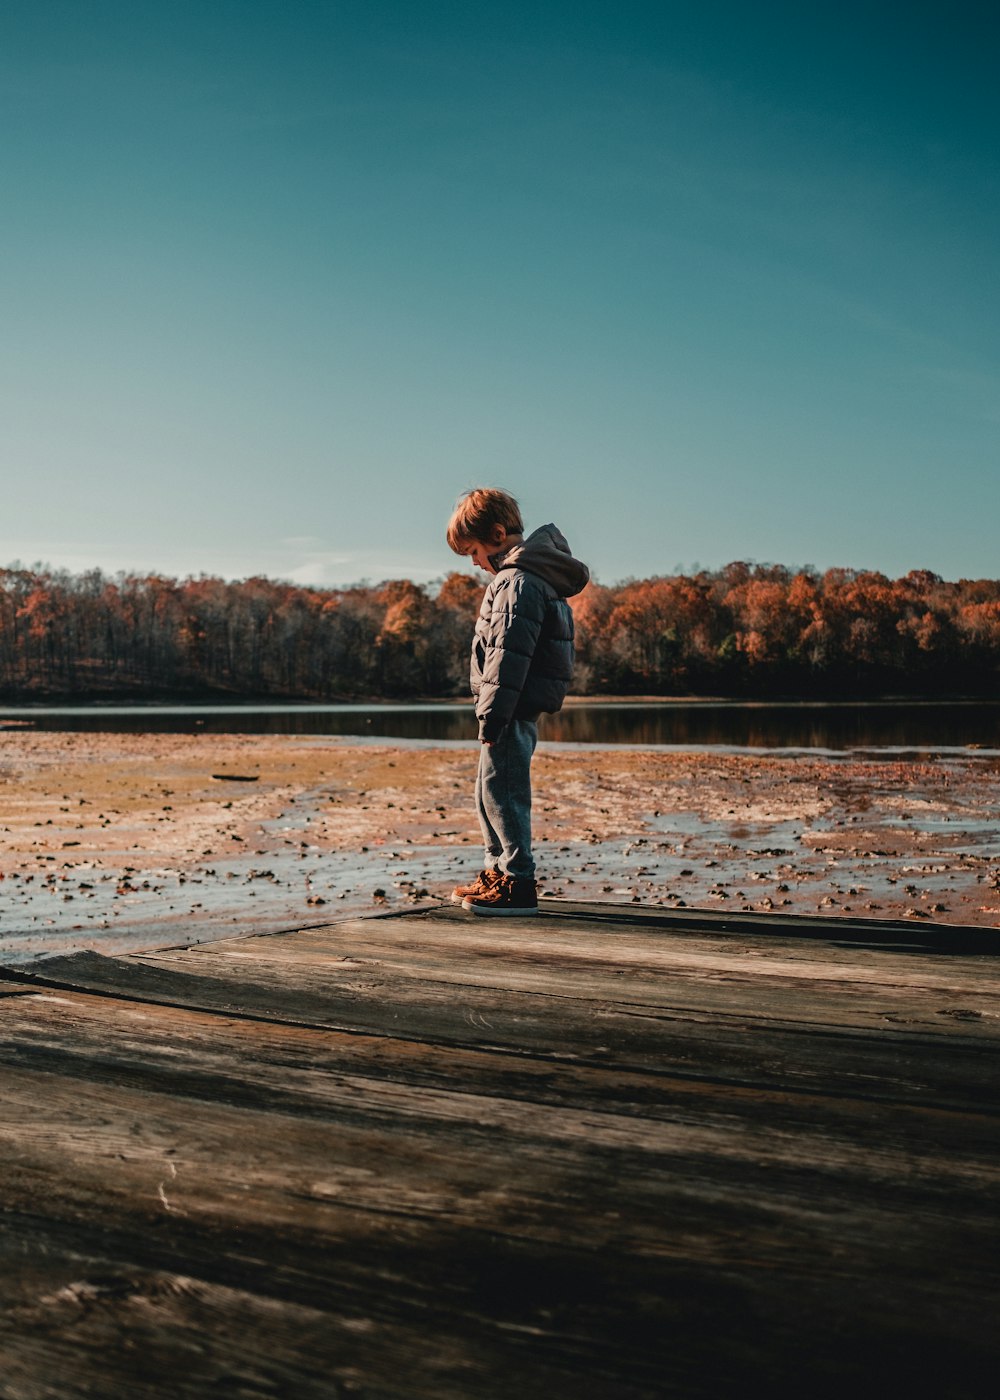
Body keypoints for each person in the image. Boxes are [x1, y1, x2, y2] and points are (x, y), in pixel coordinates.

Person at [445, 487, 589, 914]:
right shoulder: (524, 578)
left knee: (504, 792)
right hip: (509, 706)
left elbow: (508, 658)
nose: (473, 562)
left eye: (473, 550)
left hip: (509, 706)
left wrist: (492, 716)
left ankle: (517, 881)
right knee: (488, 791)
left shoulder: (517, 581)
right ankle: (496, 872)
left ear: (497, 533)